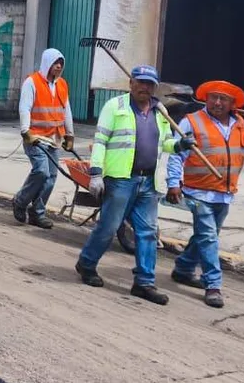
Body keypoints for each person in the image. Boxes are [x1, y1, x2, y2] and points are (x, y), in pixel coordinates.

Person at [76, 64, 195, 305]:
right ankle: (87, 264)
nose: (144, 87)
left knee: (148, 233)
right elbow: (100, 141)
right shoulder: (115, 107)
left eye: (149, 84)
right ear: (131, 83)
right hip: (121, 179)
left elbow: (165, 143)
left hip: (149, 181)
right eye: (140, 82)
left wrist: (180, 145)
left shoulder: (160, 111)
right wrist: (96, 173)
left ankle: (144, 282)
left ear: (155, 88)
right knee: (108, 227)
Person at [165, 80, 244, 308]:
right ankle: (213, 284)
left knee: (205, 236)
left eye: (224, 99)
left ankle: (183, 269)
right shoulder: (191, 121)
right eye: (213, 97)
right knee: (209, 238)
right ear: (206, 99)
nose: (217, 102)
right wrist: (173, 183)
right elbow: (176, 155)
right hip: (197, 192)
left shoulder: (241, 125)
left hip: (224, 192)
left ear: (233, 104)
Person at [11, 48, 74, 230]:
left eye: (61, 63)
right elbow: (25, 107)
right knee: (42, 171)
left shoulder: (62, 85)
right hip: (35, 136)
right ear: (47, 63)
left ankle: (37, 213)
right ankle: (20, 201)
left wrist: (70, 134)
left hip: (54, 137)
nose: (59, 66)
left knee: (51, 177)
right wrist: (25, 131)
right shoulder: (32, 82)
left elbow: (66, 110)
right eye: (56, 63)